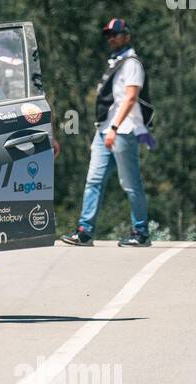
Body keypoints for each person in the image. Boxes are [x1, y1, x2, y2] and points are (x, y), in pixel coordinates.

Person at [61, 17, 153, 248]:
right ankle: (85, 231)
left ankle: (141, 232)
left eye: (115, 34)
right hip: (104, 132)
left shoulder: (132, 63)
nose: (111, 38)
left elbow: (131, 97)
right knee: (93, 180)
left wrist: (113, 128)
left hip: (123, 131)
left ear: (126, 36)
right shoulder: (116, 62)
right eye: (108, 35)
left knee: (130, 184)